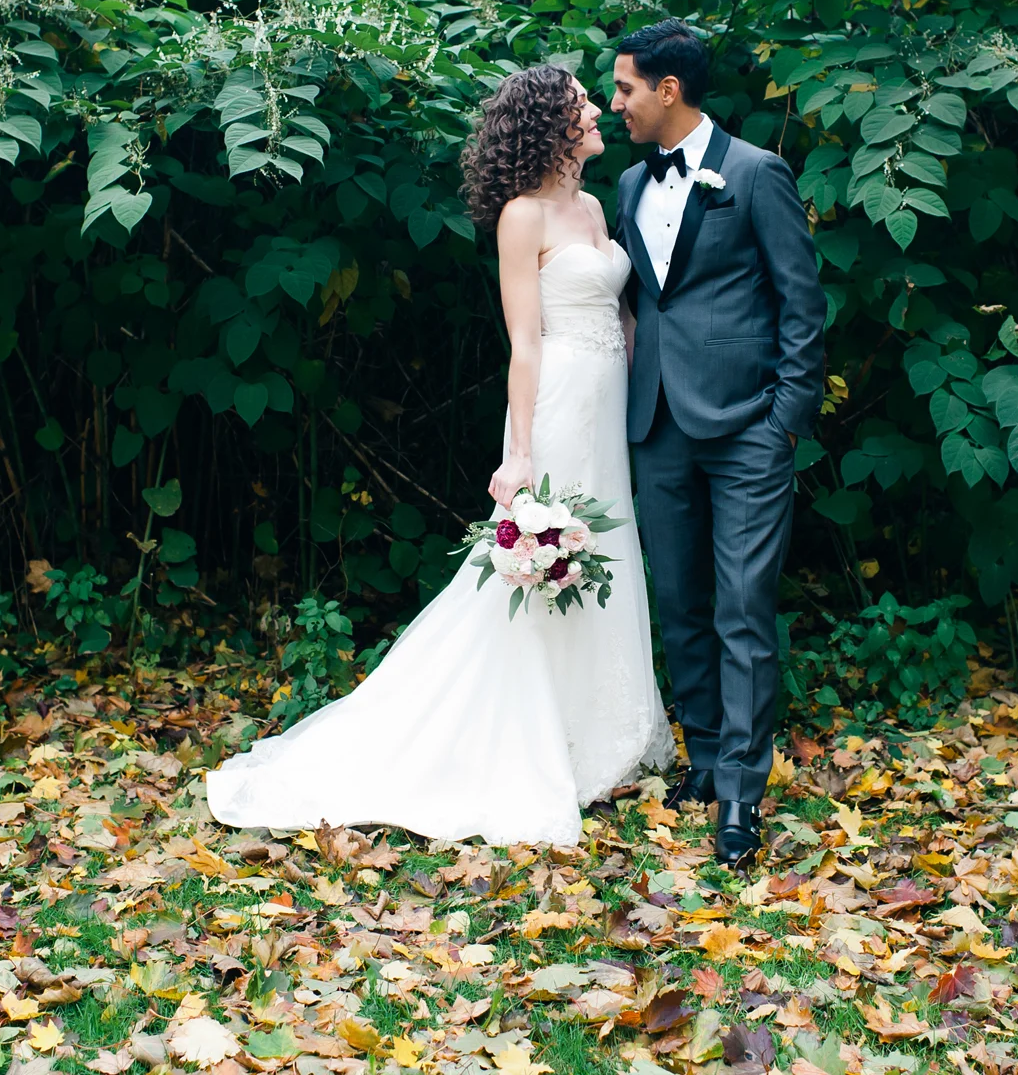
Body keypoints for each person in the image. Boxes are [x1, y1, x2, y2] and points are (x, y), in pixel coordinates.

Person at [202, 65, 671, 845]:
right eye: (581, 103)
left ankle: (593, 732)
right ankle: (508, 741)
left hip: (608, 404)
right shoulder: (522, 217)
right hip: (557, 404)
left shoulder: (593, 206)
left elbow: (621, 316)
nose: (597, 110)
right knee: (541, 565)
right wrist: (519, 454)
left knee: (602, 557)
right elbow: (525, 343)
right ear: (550, 125)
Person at [611, 19, 827, 868]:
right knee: (680, 599)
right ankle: (704, 758)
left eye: (626, 88)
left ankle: (740, 793)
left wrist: (784, 420)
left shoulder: (756, 173)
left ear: (669, 90)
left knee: (743, 606)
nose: (615, 103)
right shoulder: (629, 183)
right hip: (658, 423)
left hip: (748, 429)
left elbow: (801, 302)